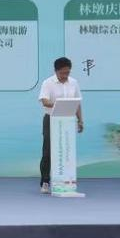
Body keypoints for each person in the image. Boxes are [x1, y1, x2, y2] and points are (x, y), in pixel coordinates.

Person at [38, 56, 83, 194]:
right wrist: (59, 104)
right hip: (51, 119)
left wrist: (80, 120)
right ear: (56, 71)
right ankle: (45, 182)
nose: (65, 75)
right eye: (62, 73)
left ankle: (66, 181)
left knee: (66, 150)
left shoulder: (74, 83)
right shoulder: (48, 83)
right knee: (48, 152)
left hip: (68, 121)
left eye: (67, 72)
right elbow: (44, 101)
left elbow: (77, 103)